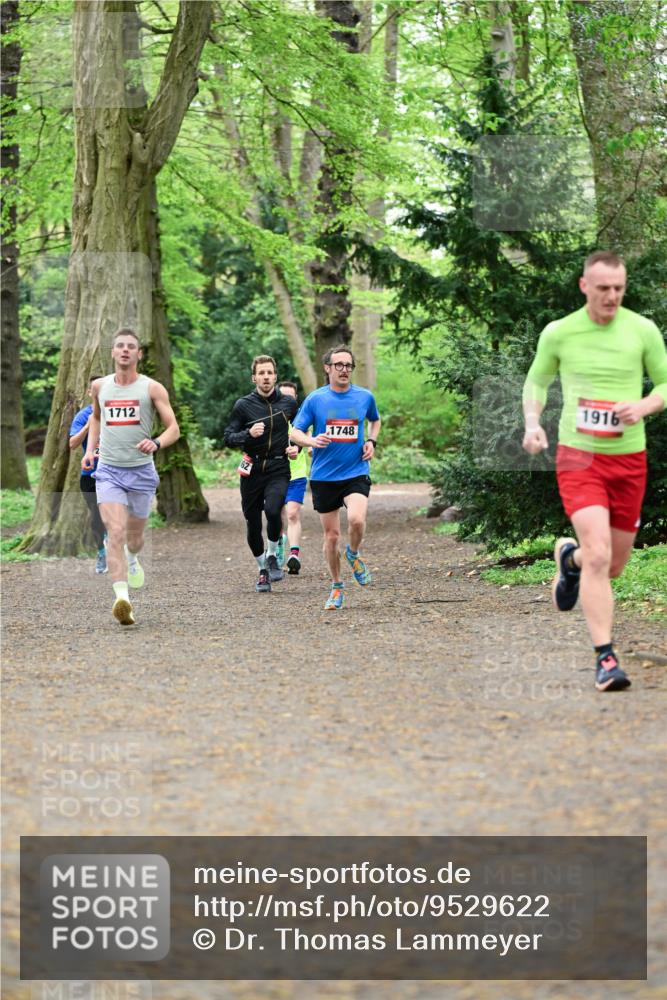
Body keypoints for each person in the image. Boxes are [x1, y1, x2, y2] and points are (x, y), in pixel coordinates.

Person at [522, 250, 667, 692]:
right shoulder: (560, 332)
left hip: (629, 460)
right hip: (579, 457)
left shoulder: (642, 330)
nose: (612, 296)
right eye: (603, 288)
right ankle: (606, 658)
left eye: (619, 288)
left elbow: (665, 383)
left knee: (613, 564)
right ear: (585, 286)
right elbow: (537, 381)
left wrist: (643, 405)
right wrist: (532, 423)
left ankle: (570, 561)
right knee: (600, 554)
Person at [82, 329, 180, 626]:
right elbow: (96, 417)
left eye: (131, 346)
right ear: (113, 352)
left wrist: (157, 442)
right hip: (108, 471)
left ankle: (133, 558)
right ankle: (122, 599)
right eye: (120, 346)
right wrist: (90, 450)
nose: (125, 350)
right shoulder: (100, 386)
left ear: (139, 354)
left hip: (141, 472)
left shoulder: (152, 388)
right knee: (115, 532)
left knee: (134, 539)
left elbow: (174, 428)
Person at [290, 345, 381, 610]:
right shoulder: (316, 399)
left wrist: (372, 441)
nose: (344, 370)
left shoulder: (364, 397)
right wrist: (311, 441)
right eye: (338, 365)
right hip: (324, 476)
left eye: (348, 366)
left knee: (356, 520)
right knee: (331, 537)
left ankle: (353, 552)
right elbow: (295, 432)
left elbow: (375, 420)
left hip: (355, 471)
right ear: (327, 368)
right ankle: (337, 586)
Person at [224, 356, 298, 593]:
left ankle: (273, 554)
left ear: (275, 376)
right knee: (253, 522)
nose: (266, 377)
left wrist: (296, 447)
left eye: (269, 373)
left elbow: (300, 430)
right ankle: (262, 570)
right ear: (254, 378)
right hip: (252, 470)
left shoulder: (288, 404)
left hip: (278, 466)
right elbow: (228, 437)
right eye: (261, 373)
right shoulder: (243, 405)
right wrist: (248, 433)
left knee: (274, 510)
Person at [69, 375, 108, 573]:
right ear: (89, 392)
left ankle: (116, 548)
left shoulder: (116, 412)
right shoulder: (83, 415)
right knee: (96, 517)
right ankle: (102, 551)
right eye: (96, 389)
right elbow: (72, 443)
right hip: (90, 473)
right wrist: (89, 425)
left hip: (115, 471)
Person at [277, 380, 310, 575]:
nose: (287, 400)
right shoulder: (271, 417)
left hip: (296, 475)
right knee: (277, 515)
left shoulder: (302, 419)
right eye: (283, 396)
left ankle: (294, 555)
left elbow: (307, 438)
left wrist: (308, 447)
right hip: (275, 475)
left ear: (296, 398)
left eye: (290, 397)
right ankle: (278, 545)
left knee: (292, 514)